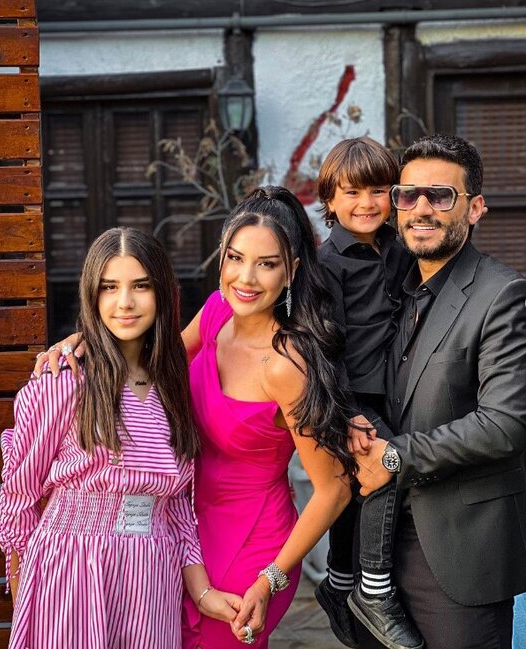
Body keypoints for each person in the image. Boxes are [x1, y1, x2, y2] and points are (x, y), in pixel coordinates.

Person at [35, 186, 356, 648]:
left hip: (250, 543)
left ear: (291, 271)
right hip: (185, 527)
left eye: (267, 264)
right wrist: (85, 340)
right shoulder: (216, 314)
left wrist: (270, 580)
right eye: (235, 258)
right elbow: (152, 362)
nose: (246, 277)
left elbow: (334, 488)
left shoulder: (286, 366)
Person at [0, 228, 242, 649]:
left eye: (141, 286)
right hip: (71, 568)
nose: (125, 302)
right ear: (91, 295)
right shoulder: (63, 383)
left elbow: (176, 508)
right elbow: (20, 497)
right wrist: (26, 595)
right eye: (109, 287)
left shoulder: (174, 387)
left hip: (152, 574)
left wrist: (203, 592)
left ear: (162, 293)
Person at [353, 134, 526, 649]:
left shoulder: (502, 294)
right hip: (380, 550)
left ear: (474, 208)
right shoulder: (393, 288)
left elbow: (506, 424)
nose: (421, 209)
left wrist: (393, 457)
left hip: (459, 550)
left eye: (441, 195)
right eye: (408, 195)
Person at [314, 136, 420, 649]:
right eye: (352, 192)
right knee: (385, 468)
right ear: (330, 200)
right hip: (347, 395)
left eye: (378, 190)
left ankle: (338, 581)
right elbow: (322, 346)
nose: (367, 203)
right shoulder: (325, 265)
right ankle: (372, 590)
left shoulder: (399, 249)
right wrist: (346, 411)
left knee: (357, 491)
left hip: (389, 390)